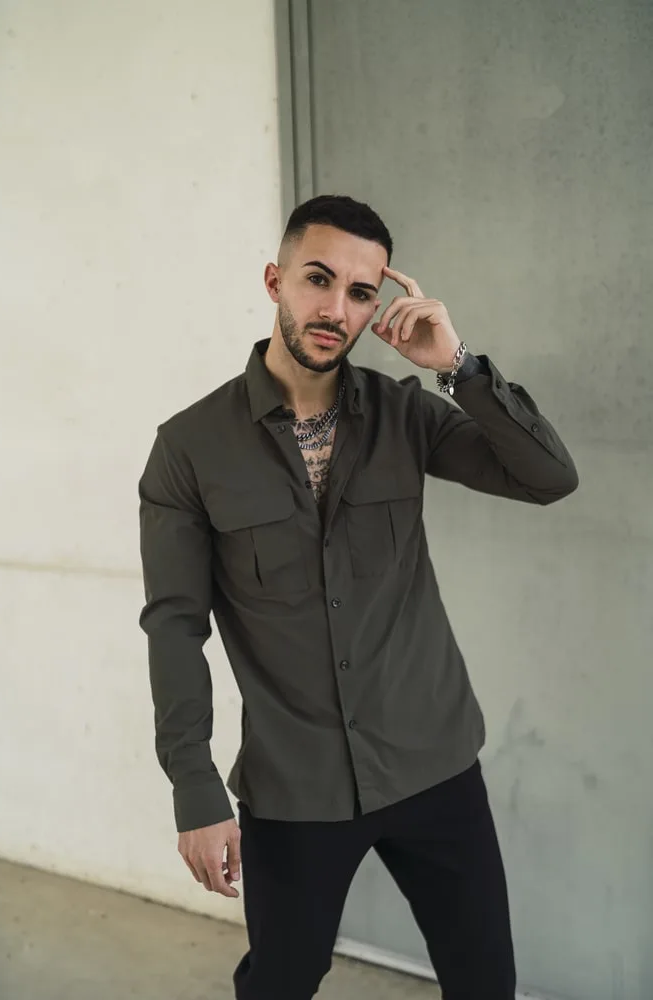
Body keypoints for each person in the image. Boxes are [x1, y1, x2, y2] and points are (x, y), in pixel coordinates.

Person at [138, 194, 578, 999]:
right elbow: (173, 627)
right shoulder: (188, 449)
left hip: (434, 764)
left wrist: (455, 368)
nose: (335, 308)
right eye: (317, 279)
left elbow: (547, 478)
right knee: (280, 981)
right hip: (295, 785)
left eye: (361, 291)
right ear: (275, 281)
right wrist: (194, 789)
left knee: (484, 979)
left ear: (380, 304)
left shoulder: (406, 414)